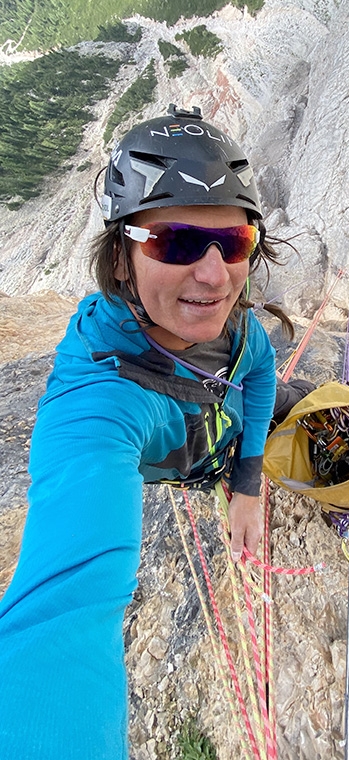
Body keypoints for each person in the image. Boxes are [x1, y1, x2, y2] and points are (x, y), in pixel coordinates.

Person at [0, 104, 312, 760]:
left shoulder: (238, 328)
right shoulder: (96, 403)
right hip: (188, 443)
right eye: (174, 241)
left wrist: (248, 478)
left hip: (223, 422)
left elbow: (254, 367)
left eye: (232, 244)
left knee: (288, 397)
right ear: (120, 259)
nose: (212, 275)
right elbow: (60, 617)